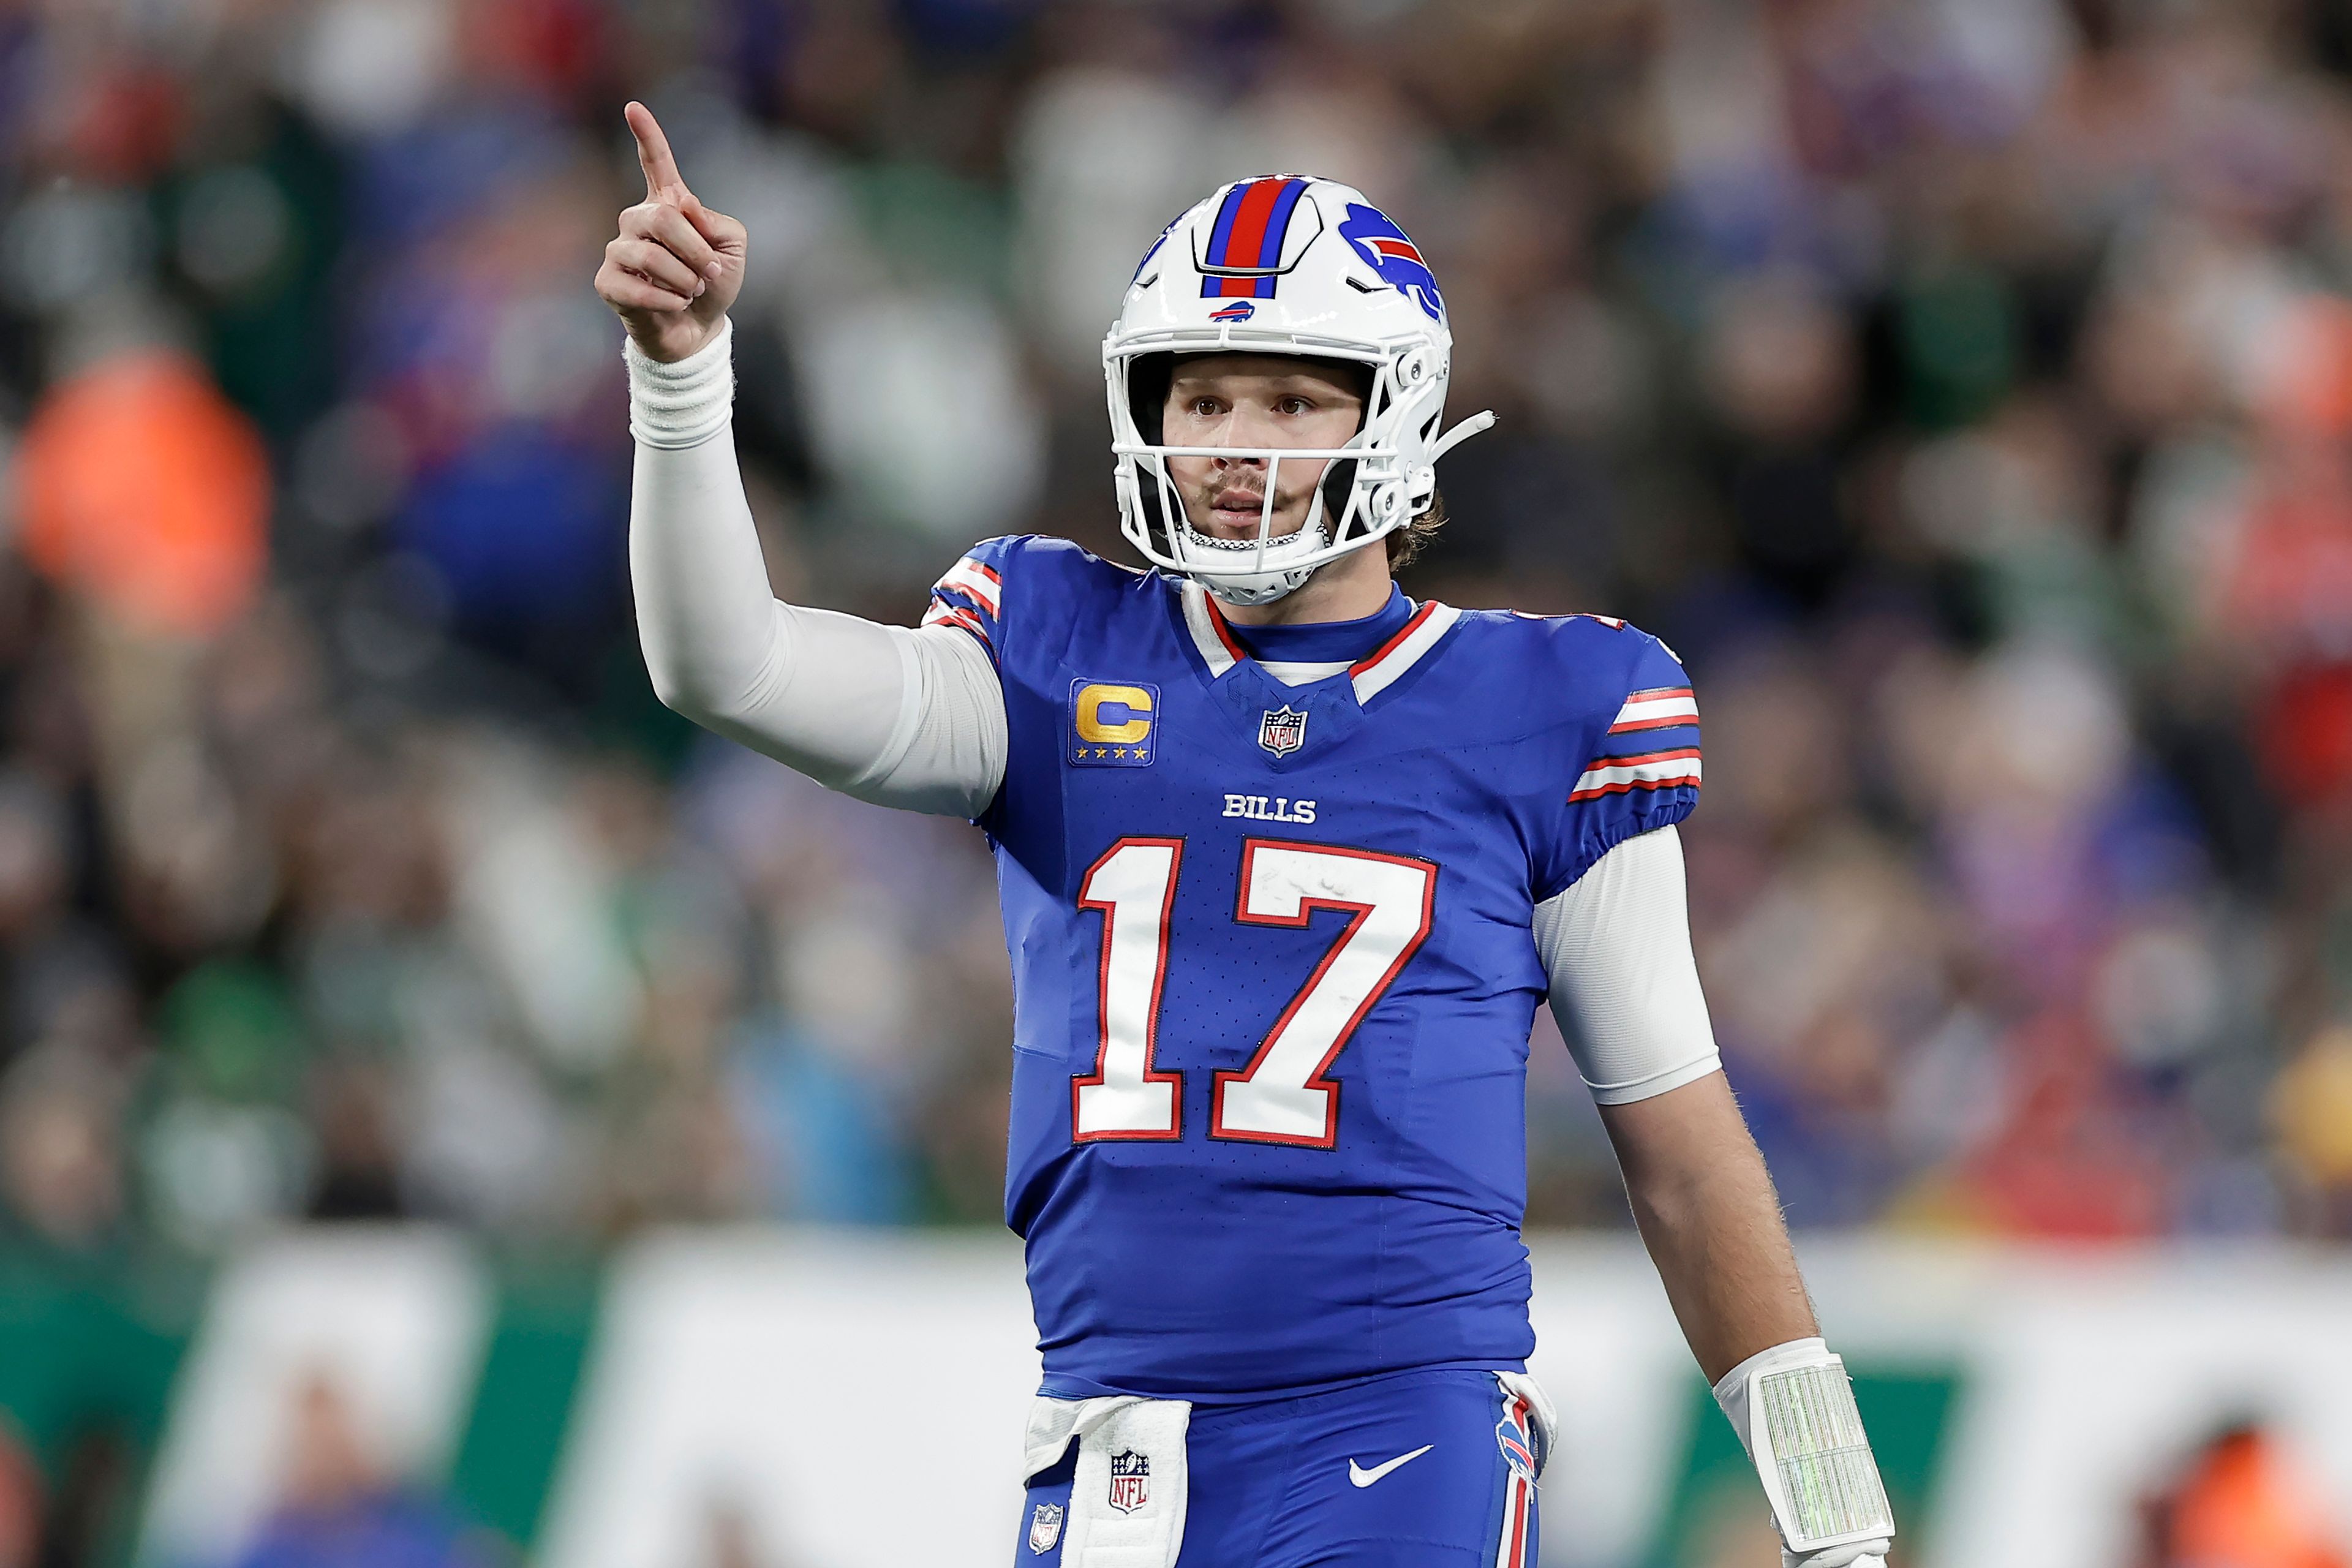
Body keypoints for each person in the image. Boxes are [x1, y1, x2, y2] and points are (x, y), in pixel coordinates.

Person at [600, 101, 1894, 1568]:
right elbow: (731, 666)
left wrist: (1831, 1505)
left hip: (1399, 1422)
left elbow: (1680, 1141)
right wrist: (681, 376)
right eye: (1203, 399)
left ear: (1396, 412)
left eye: (1291, 400)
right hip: (1111, 1439)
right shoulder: (1054, 651)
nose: (1235, 444)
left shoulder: (1549, 705)